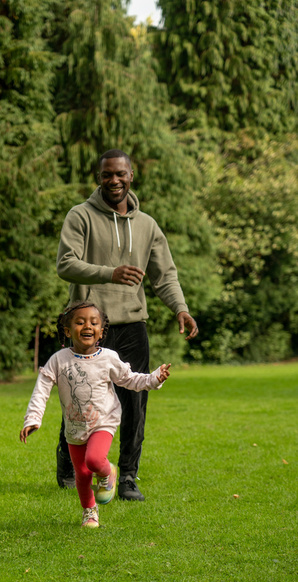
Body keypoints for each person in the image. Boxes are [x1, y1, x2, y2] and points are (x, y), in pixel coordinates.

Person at [56, 149, 198, 500]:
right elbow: (66, 264)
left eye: (120, 174)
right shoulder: (81, 216)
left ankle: (129, 476)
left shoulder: (147, 225)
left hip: (132, 324)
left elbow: (164, 275)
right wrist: (110, 273)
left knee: (135, 403)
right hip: (88, 327)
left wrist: (180, 308)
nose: (114, 180)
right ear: (99, 178)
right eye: (107, 175)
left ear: (131, 176)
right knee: (80, 400)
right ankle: (70, 465)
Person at [20, 301, 171, 528]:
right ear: (68, 331)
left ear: (101, 331)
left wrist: (154, 379)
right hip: (74, 426)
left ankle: (107, 471)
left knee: (93, 460)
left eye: (93, 322)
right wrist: (33, 419)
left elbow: (130, 379)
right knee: (81, 473)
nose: (87, 326)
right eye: (80, 322)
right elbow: (41, 389)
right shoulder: (58, 360)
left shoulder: (108, 358)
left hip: (103, 421)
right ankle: (90, 512)